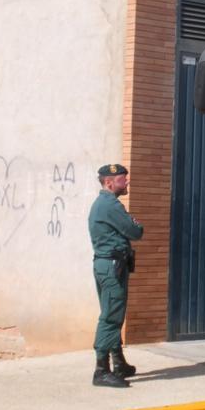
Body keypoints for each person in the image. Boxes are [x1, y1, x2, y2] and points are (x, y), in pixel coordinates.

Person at [88, 163, 143, 388]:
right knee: (111, 316)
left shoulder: (105, 204)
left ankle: (119, 363)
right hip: (112, 266)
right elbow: (135, 231)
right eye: (123, 178)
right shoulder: (110, 205)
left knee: (113, 312)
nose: (127, 181)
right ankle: (101, 370)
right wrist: (134, 224)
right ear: (109, 183)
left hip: (109, 265)